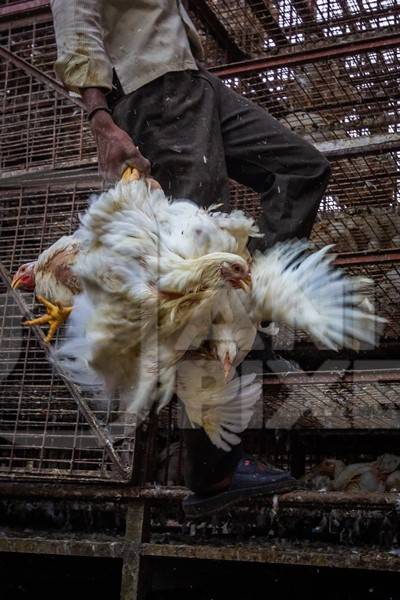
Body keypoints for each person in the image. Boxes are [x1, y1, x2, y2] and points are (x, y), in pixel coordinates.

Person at [50, 0, 331, 518]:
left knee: (302, 167)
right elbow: (75, 16)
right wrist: (100, 117)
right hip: (151, 94)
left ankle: (253, 297)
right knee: (198, 270)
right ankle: (211, 471)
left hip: (195, 84)